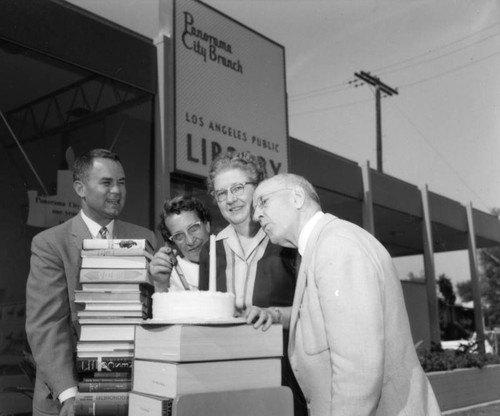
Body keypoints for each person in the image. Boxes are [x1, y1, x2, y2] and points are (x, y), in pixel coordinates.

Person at [251, 173, 441, 416]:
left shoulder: (336, 246)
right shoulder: (326, 245)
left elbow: (358, 369)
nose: (256, 215)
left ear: (297, 197)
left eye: (263, 202)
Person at [25, 149, 157, 416]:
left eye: (122, 182)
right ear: (80, 188)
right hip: (69, 397)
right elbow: (47, 325)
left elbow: (152, 311)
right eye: (106, 183)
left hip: (132, 393)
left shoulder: (145, 238)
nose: (117, 191)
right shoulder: (51, 243)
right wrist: (69, 395)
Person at [198, 150, 307, 416]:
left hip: (287, 377)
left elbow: (313, 313)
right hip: (228, 375)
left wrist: (272, 315)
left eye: (237, 188)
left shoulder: (287, 242)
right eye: (221, 193)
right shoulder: (211, 250)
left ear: (257, 189)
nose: (230, 199)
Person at [149, 195, 211, 292]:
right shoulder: (173, 275)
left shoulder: (233, 259)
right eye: (179, 236)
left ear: (207, 225)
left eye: (194, 228)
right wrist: (161, 284)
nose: (190, 241)